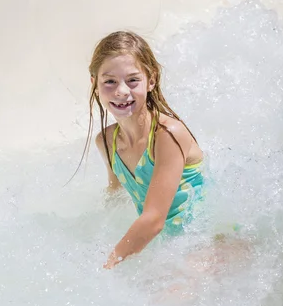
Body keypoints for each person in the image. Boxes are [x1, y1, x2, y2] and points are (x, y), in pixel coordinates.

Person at [82, 30, 205, 269]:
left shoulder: (168, 136)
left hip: (205, 239)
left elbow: (153, 220)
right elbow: (115, 197)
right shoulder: (107, 142)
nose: (121, 91)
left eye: (132, 80)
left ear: (151, 80)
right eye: (109, 81)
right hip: (166, 245)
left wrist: (106, 267)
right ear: (95, 84)